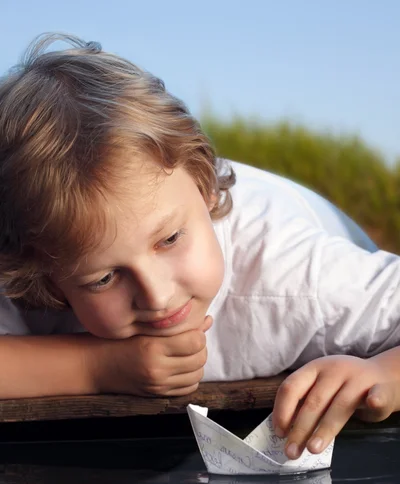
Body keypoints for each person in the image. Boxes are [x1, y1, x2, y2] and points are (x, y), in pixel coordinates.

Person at [0, 33, 399, 460]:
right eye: (103, 278)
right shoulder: (36, 243)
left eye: (169, 240)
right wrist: (97, 367)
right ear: (46, 280)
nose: (157, 296)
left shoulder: (297, 278)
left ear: (206, 188)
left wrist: (385, 373)